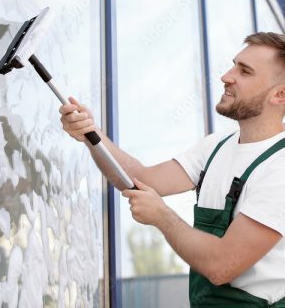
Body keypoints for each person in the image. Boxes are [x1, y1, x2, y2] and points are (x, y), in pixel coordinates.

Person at [59, 32, 285, 307]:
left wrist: (162, 217)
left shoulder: (279, 167)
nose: (226, 76)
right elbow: (138, 179)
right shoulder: (216, 147)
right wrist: (92, 135)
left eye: (244, 71)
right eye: (234, 64)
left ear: (280, 95)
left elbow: (222, 266)